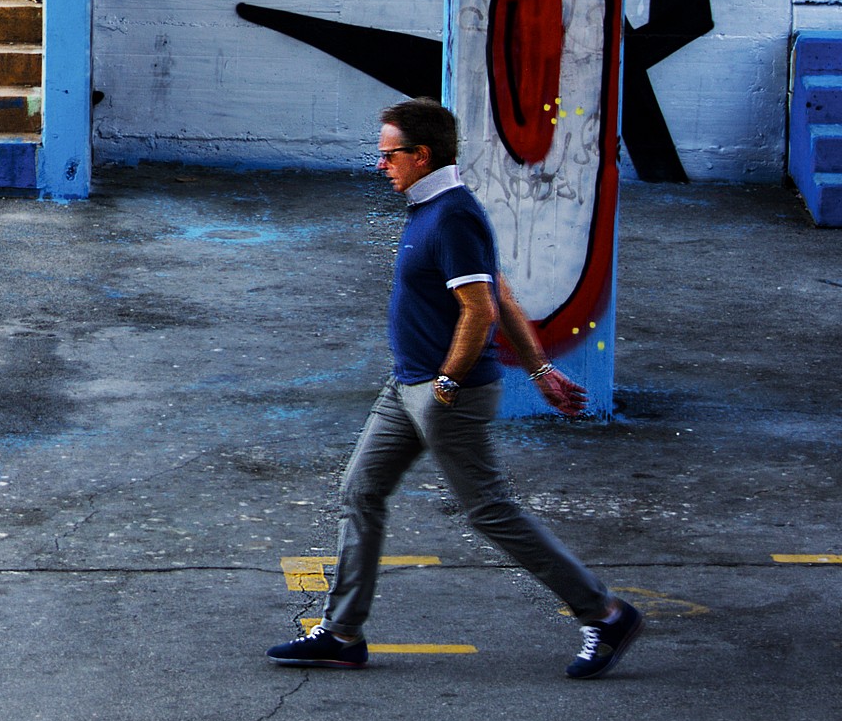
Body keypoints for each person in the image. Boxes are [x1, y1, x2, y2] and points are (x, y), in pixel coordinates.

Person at [266, 98, 644, 679]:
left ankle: (604, 612)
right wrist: (541, 370)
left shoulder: (452, 215)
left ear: (421, 156)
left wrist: (447, 381)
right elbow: (504, 295)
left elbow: (480, 310)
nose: (381, 165)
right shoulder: (429, 210)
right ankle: (341, 633)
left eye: (390, 155)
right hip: (406, 388)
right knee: (360, 493)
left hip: (446, 394)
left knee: (490, 510)